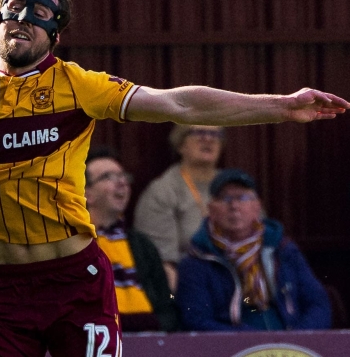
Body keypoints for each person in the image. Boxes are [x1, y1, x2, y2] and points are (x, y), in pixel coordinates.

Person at [0, 0, 348, 356]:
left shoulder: (77, 85)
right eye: (13, 6)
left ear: (55, 32)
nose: (23, 16)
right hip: (0, 286)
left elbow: (179, 103)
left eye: (39, 10)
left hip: (73, 280)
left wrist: (282, 106)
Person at [176, 169, 331, 330]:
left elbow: (318, 303)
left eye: (243, 198)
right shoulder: (197, 260)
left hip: (289, 344)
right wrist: (252, 342)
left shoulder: (283, 249)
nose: (234, 206)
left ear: (257, 207)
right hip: (232, 348)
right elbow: (195, 319)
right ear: (211, 209)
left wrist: (299, 338)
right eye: (225, 198)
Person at [84, 146, 178, 332]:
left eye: (123, 176)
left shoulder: (142, 245)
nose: (121, 183)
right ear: (87, 194)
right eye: (107, 177)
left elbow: (168, 311)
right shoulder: (73, 243)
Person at [134, 124, 225, 292]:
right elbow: (162, 264)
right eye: (199, 132)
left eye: (215, 134)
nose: (209, 138)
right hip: (190, 286)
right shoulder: (163, 191)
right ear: (181, 144)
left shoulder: (232, 186)